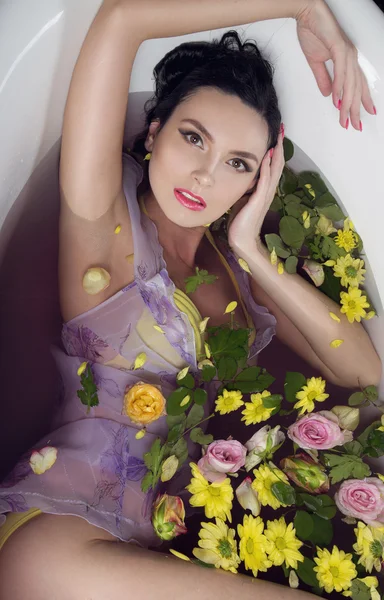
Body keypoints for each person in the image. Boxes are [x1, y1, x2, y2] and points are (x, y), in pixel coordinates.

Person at [0, 0, 381, 597]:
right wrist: (303, 5)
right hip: (63, 534)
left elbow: (363, 372)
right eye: (193, 137)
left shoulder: (236, 277)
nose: (206, 176)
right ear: (153, 131)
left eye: (237, 163)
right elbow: (119, 18)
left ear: (257, 181)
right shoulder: (103, 222)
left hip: (175, 546)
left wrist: (252, 249)